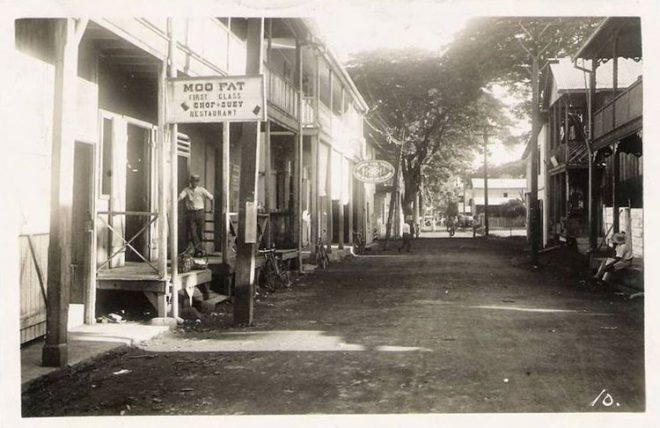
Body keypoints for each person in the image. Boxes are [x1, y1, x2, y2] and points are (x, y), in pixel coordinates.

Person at [178, 174, 213, 257]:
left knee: (200, 232)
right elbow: (180, 197)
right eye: (193, 181)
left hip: (200, 213)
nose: (194, 183)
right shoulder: (186, 190)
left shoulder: (202, 190)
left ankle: (199, 251)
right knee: (193, 232)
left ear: (198, 182)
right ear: (190, 182)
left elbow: (211, 198)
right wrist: (173, 203)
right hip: (191, 214)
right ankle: (199, 250)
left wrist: (212, 209)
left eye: (196, 181)